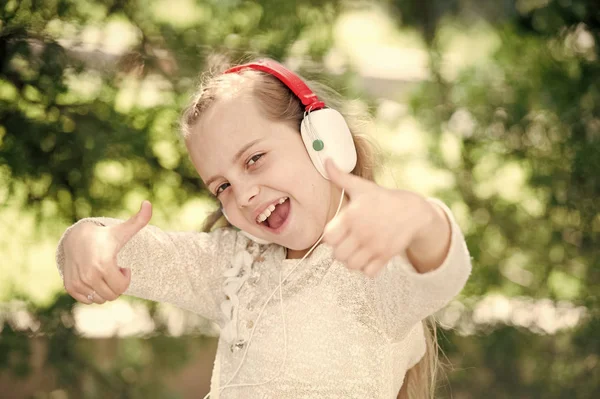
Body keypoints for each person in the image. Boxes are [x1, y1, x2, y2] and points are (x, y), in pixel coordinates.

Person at [55, 58, 472, 399]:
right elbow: (137, 252)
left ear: (321, 139)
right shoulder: (236, 266)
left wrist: (419, 218)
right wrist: (86, 240)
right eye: (222, 187)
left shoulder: (372, 263)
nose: (245, 194)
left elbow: (441, 270)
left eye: (254, 159)